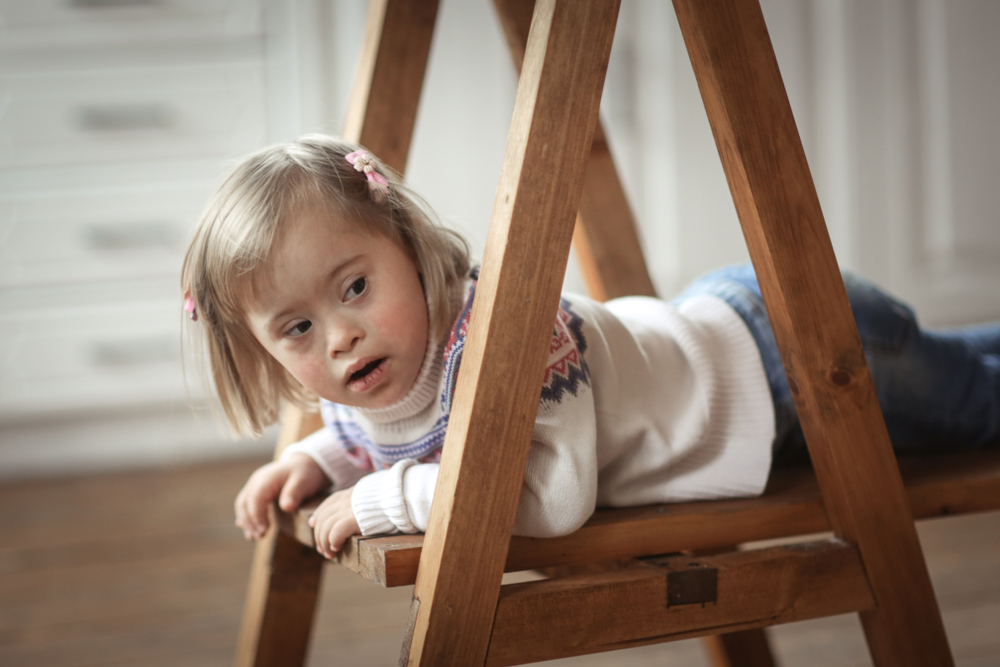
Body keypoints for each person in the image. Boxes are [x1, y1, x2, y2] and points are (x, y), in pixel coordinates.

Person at [182, 135, 1000, 560]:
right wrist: (324, 460)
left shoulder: (510, 337)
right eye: (297, 328)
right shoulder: (361, 373)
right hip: (758, 391)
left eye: (355, 286)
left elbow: (554, 495)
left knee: (977, 404)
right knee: (968, 368)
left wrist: (378, 500)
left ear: (407, 243)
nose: (340, 333)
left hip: (784, 347)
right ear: (263, 349)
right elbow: (401, 426)